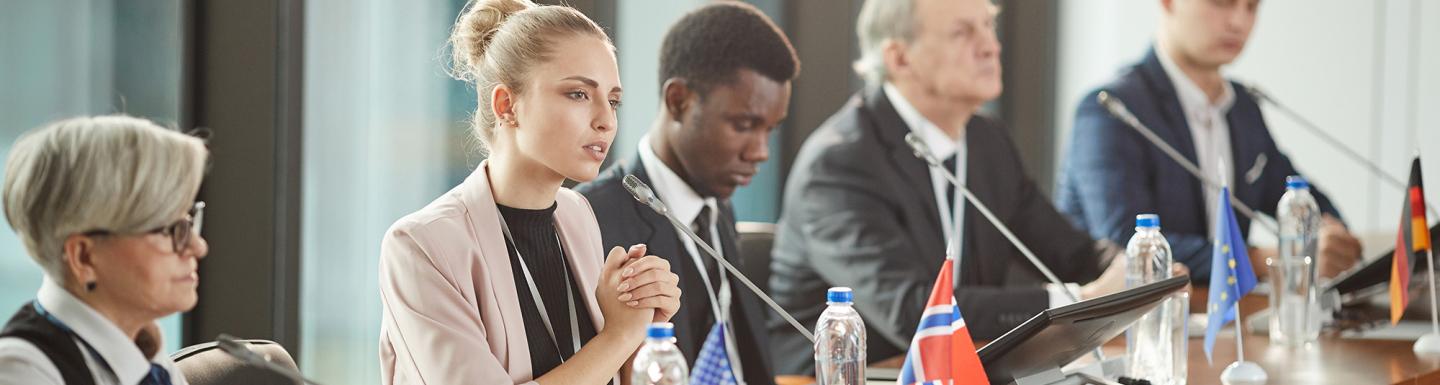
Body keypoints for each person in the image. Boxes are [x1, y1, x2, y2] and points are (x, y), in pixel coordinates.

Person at [769, 0, 1137, 375]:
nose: (990, 46)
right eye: (963, 33)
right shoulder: (839, 162)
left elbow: (1070, 251)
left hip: (964, 371)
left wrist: (1133, 267)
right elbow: (913, 310)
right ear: (899, 58)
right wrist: (1082, 299)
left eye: (988, 25)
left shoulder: (987, 141)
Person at [377, 1, 681, 384]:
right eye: (578, 94)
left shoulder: (577, 215)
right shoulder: (420, 246)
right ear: (507, 105)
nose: (606, 120)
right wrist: (619, 336)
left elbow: (596, 368)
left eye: (613, 100)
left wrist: (644, 333)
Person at [1055, 0, 1361, 283]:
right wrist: (1273, 259)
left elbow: (1300, 198)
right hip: (1125, 332)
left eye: (1252, 6)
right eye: (1222, 2)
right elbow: (1124, 242)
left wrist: (1331, 240)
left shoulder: (1243, 107)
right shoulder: (1111, 110)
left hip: (1227, 326)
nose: (1239, 22)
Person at [576, 3, 798, 384]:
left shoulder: (716, 208)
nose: (760, 151)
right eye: (744, 124)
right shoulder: (590, 217)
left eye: (770, 130)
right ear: (679, 101)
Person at [0, 115, 209, 385]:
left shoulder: (148, 357)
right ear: (84, 257)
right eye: (171, 230)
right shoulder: (22, 373)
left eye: (189, 221)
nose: (198, 246)